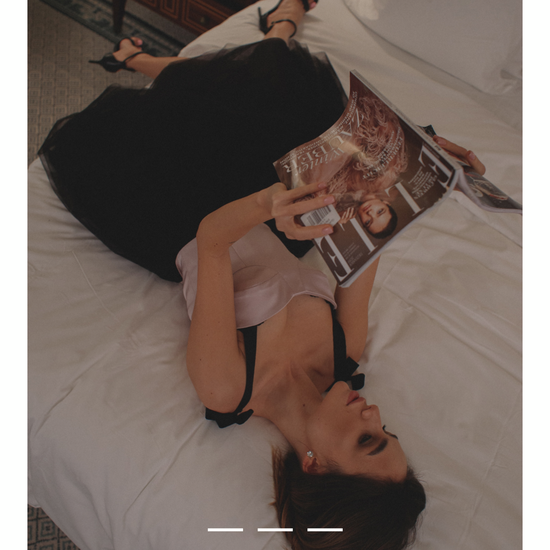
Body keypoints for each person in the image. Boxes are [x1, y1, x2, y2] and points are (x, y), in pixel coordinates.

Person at [37, 1, 486, 547]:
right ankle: (264, 25)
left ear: (314, 465)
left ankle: (155, 56)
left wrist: (267, 204)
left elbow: (211, 240)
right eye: (386, 431)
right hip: (264, 208)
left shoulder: (229, 389)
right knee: (280, 75)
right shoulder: (346, 349)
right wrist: (430, 167)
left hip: (181, 208)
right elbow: (368, 238)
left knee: (205, 102)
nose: (374, 415)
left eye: (367, 440)